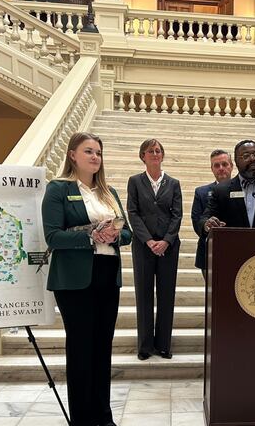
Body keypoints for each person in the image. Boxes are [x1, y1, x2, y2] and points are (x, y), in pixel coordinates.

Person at [41, 132, 131, 426]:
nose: (95, 157)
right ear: (72, 155)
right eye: (89, 151)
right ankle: (81, 419)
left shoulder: (110, 193)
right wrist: (91, 235)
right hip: (75, 279)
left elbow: (128, 233)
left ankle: (103, 417)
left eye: (98, 153)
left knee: (102, 348)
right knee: (81, 349)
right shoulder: (58, 189)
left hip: (107, 274)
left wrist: (115, 234)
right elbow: (53, 236)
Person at [127, 139, 183, 360]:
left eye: (158, 150)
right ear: (143, 156)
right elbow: (133, 212)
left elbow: (177, 214)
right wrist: (149, 241)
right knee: (144, 294)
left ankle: (163, 345)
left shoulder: (173, 183)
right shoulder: (135, 181)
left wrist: (166, 241)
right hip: (143, 246)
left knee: (166, 295)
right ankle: (145, 346)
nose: (155, 154)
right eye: (150, 151)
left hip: (168, 247)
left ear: (163, 155)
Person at [191, 149, 234, 280]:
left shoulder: (243, 189)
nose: (221, 168)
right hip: (208, 252)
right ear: (212, 169)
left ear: (232, 166)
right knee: (212, 297)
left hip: (235, 250)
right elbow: (196, 220)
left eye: (224, 164)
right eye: (216, 165)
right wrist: (206, 226)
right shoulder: (201, 192)